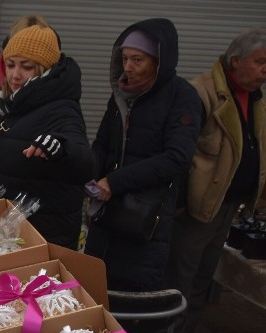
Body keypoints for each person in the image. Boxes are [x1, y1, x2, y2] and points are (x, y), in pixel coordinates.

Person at [166, 29, 266, 333]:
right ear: (236, 61)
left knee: (205, 274)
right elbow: (181, 154)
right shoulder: (199, 93)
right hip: (197, 207)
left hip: (227, 205)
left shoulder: (256, 97)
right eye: (260, 62)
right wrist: (180, 203)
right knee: (181, 278)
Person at [84, 19, 201, 291]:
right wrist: (86, 174)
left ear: (159, 61)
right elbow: (102, 144)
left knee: (130, 299)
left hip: (145, 220)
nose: (128, 67)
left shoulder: (182, 96)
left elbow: (177, 157)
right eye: (124, 58)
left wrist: (114, 182)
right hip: (106, 218)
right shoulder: (121, 95)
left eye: (137, 59)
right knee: (95, 290)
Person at [0, 25, 94, 250]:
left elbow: (86, 163)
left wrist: (60, 148)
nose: (15, 75)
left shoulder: (61, 107)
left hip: (46, 239)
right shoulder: (10, 102)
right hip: (14, 233)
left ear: (45, 69)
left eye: (26, 67)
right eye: (10, 64)